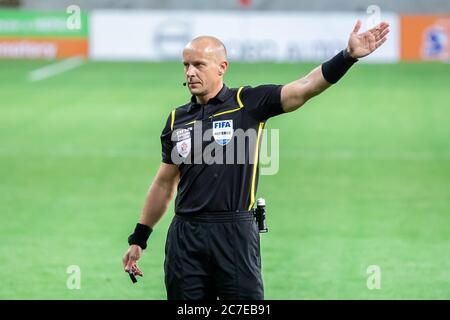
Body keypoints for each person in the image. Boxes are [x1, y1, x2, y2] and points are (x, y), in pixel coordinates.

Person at [122, 20, 390, 300]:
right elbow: (165, 183)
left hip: (234, 233)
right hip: (185, 236)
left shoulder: (247, 102)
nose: (190, 72)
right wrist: (139, 238)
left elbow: (305, 87)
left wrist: (346, 57)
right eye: (186, 65)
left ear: (221, 67)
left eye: (199, 65)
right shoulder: (177, 119)